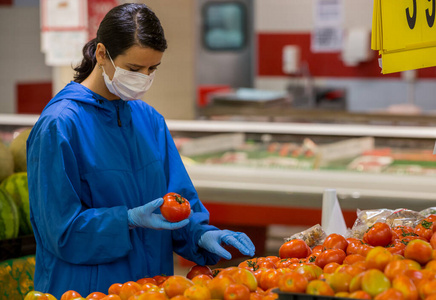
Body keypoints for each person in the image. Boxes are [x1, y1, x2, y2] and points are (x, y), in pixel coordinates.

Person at [26, 3, 255, 298]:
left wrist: (202, 234)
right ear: (101, 54)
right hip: (85, 289)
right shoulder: (60, 126)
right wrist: (127, 220)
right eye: (134, 68)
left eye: (152, 69)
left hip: (151, 288)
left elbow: (179, 205)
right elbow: (60, 231)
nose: (144, 77)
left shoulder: (150, 121)